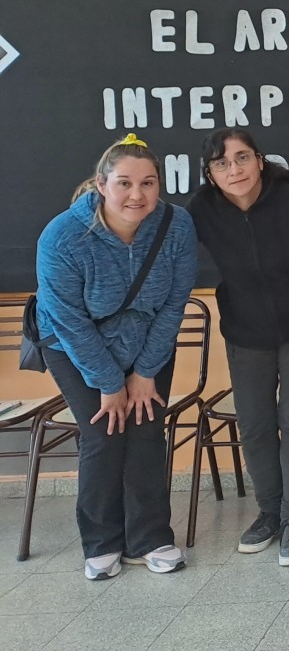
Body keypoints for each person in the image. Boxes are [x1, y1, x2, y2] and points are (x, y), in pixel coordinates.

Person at [34, 134, 197, 579]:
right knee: (105, 433)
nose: (137, 195)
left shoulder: (176, 225)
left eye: (148, 183)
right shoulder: (62, 235)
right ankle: (101, 542)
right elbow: (68, 321)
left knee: (145, 430)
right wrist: (109, 382)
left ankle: (151, 538)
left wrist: (145, 372)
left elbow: (174, 302)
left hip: (148, 341)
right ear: (102, 184)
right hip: (75, 346)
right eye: (124, 183)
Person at [187, 128, 289, 567]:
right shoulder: (201, 211)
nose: (235, 170)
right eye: (222, 163)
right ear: (209, 174)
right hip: (245, 334)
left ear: (260, 160)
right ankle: (270, 511)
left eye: (242, 158)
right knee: (255, 425)